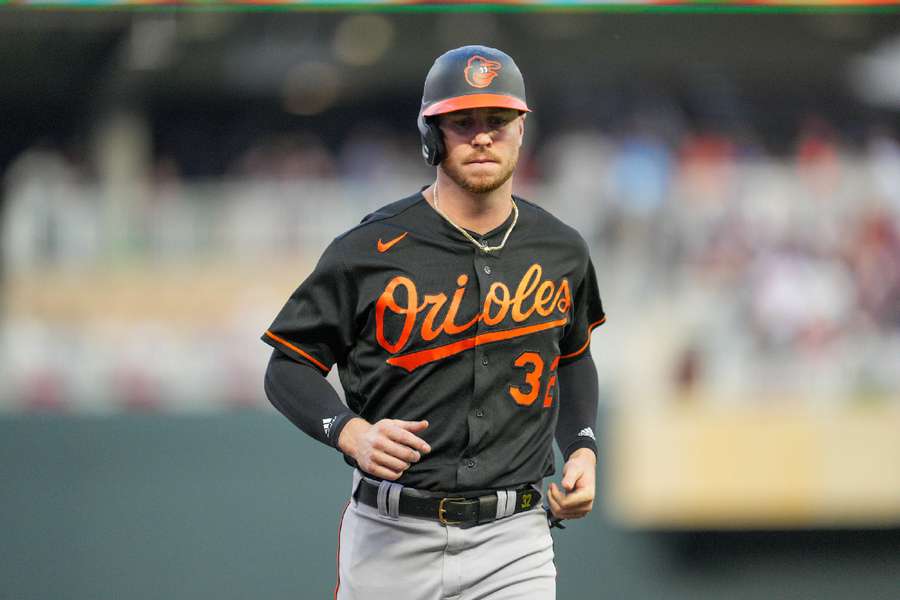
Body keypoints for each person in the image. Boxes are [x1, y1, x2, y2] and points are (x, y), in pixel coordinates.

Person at [262, 45, 606, 600]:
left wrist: (583, 446)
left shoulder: (560, 249)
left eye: (497, 121)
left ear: (521, 129)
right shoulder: (368, 248)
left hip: (514, 539)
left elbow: (574, 355)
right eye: (462, 122)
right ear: (431, 135)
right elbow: (287, 367)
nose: (482, 136)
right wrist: (350, 432)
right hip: (392, 536)